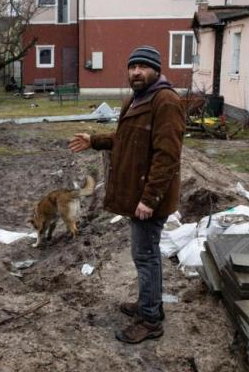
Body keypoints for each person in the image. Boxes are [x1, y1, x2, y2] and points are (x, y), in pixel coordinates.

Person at [69, 46, 185, 344]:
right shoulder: (137, 98)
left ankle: (150, 320)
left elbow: (167, 156)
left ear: (156, 70)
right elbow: (126, 138)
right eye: (132, 67)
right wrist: (94, 140)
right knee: (144, 255)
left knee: (146, 257)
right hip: (138, 194)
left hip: (149, 198)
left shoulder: (165, 101)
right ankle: (149, 304)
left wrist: (150, 199)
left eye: (143, 67)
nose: (136, 72)